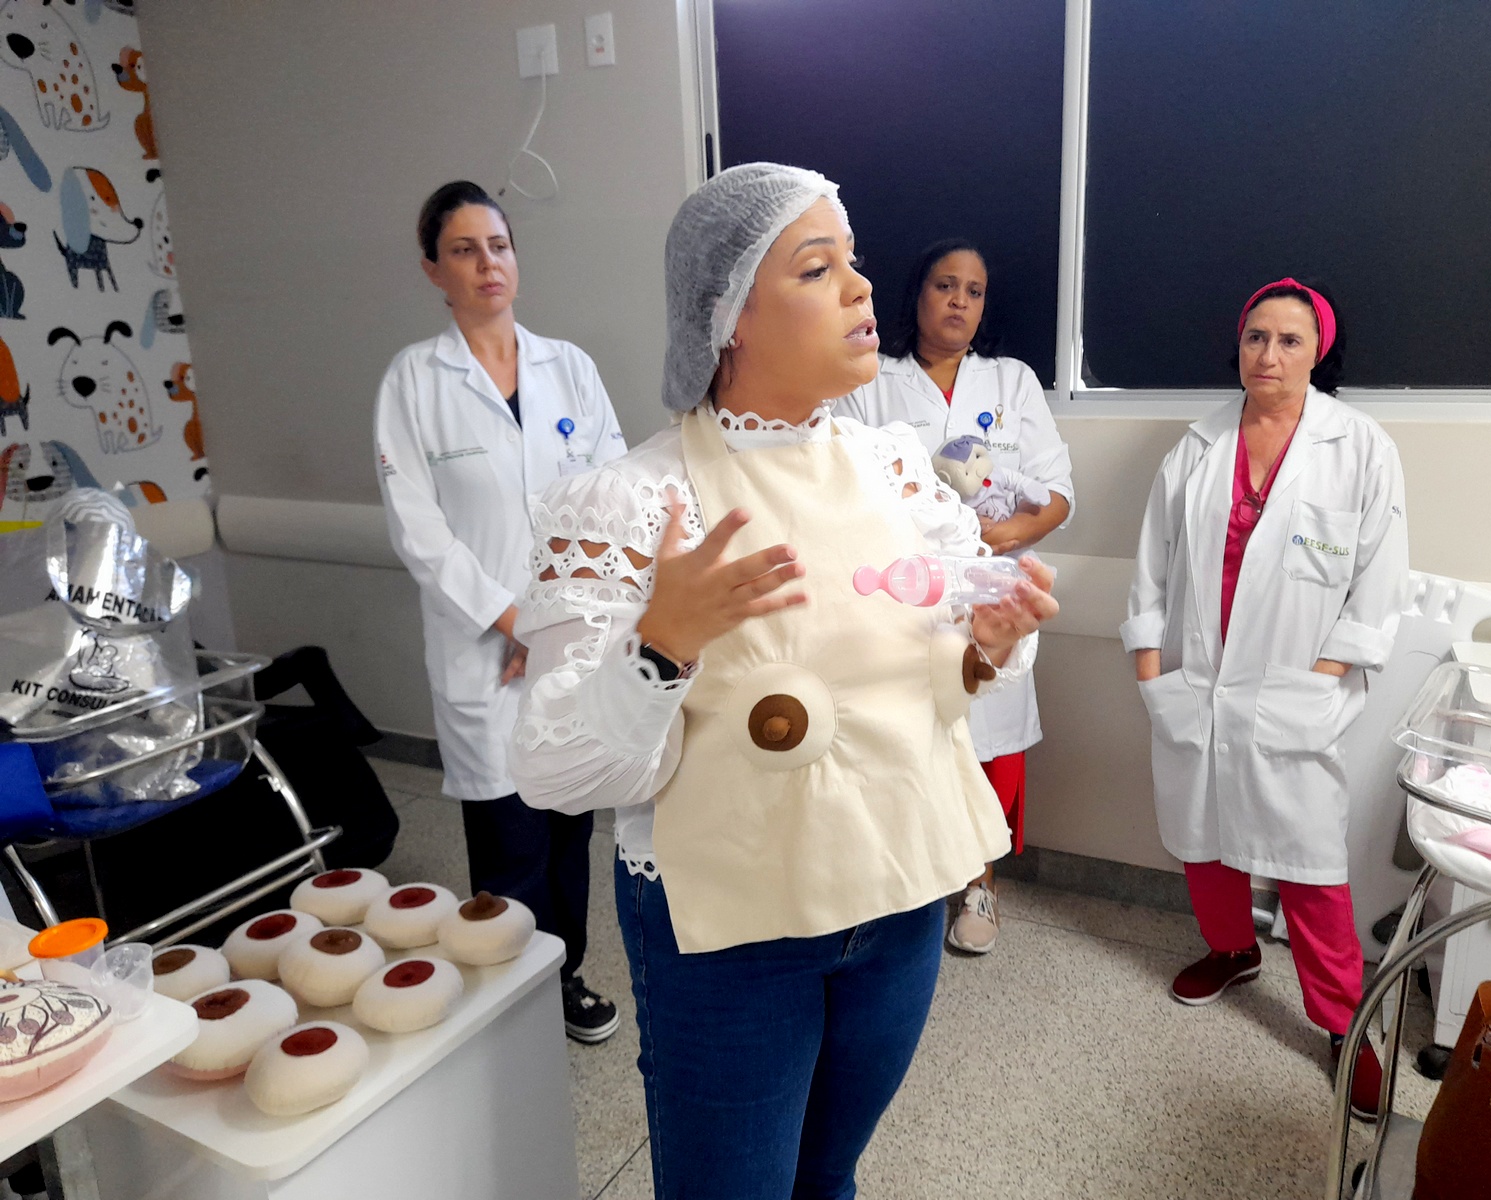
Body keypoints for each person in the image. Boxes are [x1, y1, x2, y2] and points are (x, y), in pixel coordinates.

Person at [507, 163, 1058, 1199]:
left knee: (829, 1177)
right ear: (730, 318)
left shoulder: (897, 473)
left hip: (898, 904)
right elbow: (551, 769)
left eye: (852, 261)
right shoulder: (632, 500)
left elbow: (925, 675)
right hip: (728, 939)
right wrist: (661, 644)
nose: (860, 288)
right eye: (818, 268)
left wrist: (985, 644)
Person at [1121, 278, 1409, 1120]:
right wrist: (1148, 666)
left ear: (1318, 350)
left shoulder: (1358, 447)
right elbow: (1153, 558)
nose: (1268, 355)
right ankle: (1233, 950)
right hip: (1198, 684)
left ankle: (1341, 1023)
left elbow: (1379, 580)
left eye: (1288, 339)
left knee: (1311, 861)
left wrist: (1326, 680)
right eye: (1255, 337)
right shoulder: (1198, 445)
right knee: (1204, 842)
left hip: (1295, 687)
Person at [374, 180, 626, 1043]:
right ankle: (516, 997)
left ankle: (568, 977)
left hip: (571, 638)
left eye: (501, 245)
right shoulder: (415, 381)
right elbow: (418, 528)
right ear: (433, 270)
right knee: (510, 838)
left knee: (568, 829)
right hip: (486, 647)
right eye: (465, 249)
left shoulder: (571, 368)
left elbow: (613, 497)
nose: (489, 264)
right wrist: (514, 621)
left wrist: (557, 616)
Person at [837, 239, 1074, 954]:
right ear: (917, 294)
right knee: (900, 732)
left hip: (990, 584)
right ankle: (897, 882)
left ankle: (980, 886)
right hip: (897, 589)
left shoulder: (1011, 382)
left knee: (990, 743)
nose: (960, 301)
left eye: (973, 290)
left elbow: (1059, 494)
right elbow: (839, 478)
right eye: (945, 285)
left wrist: (998, 536)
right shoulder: (871, 379)